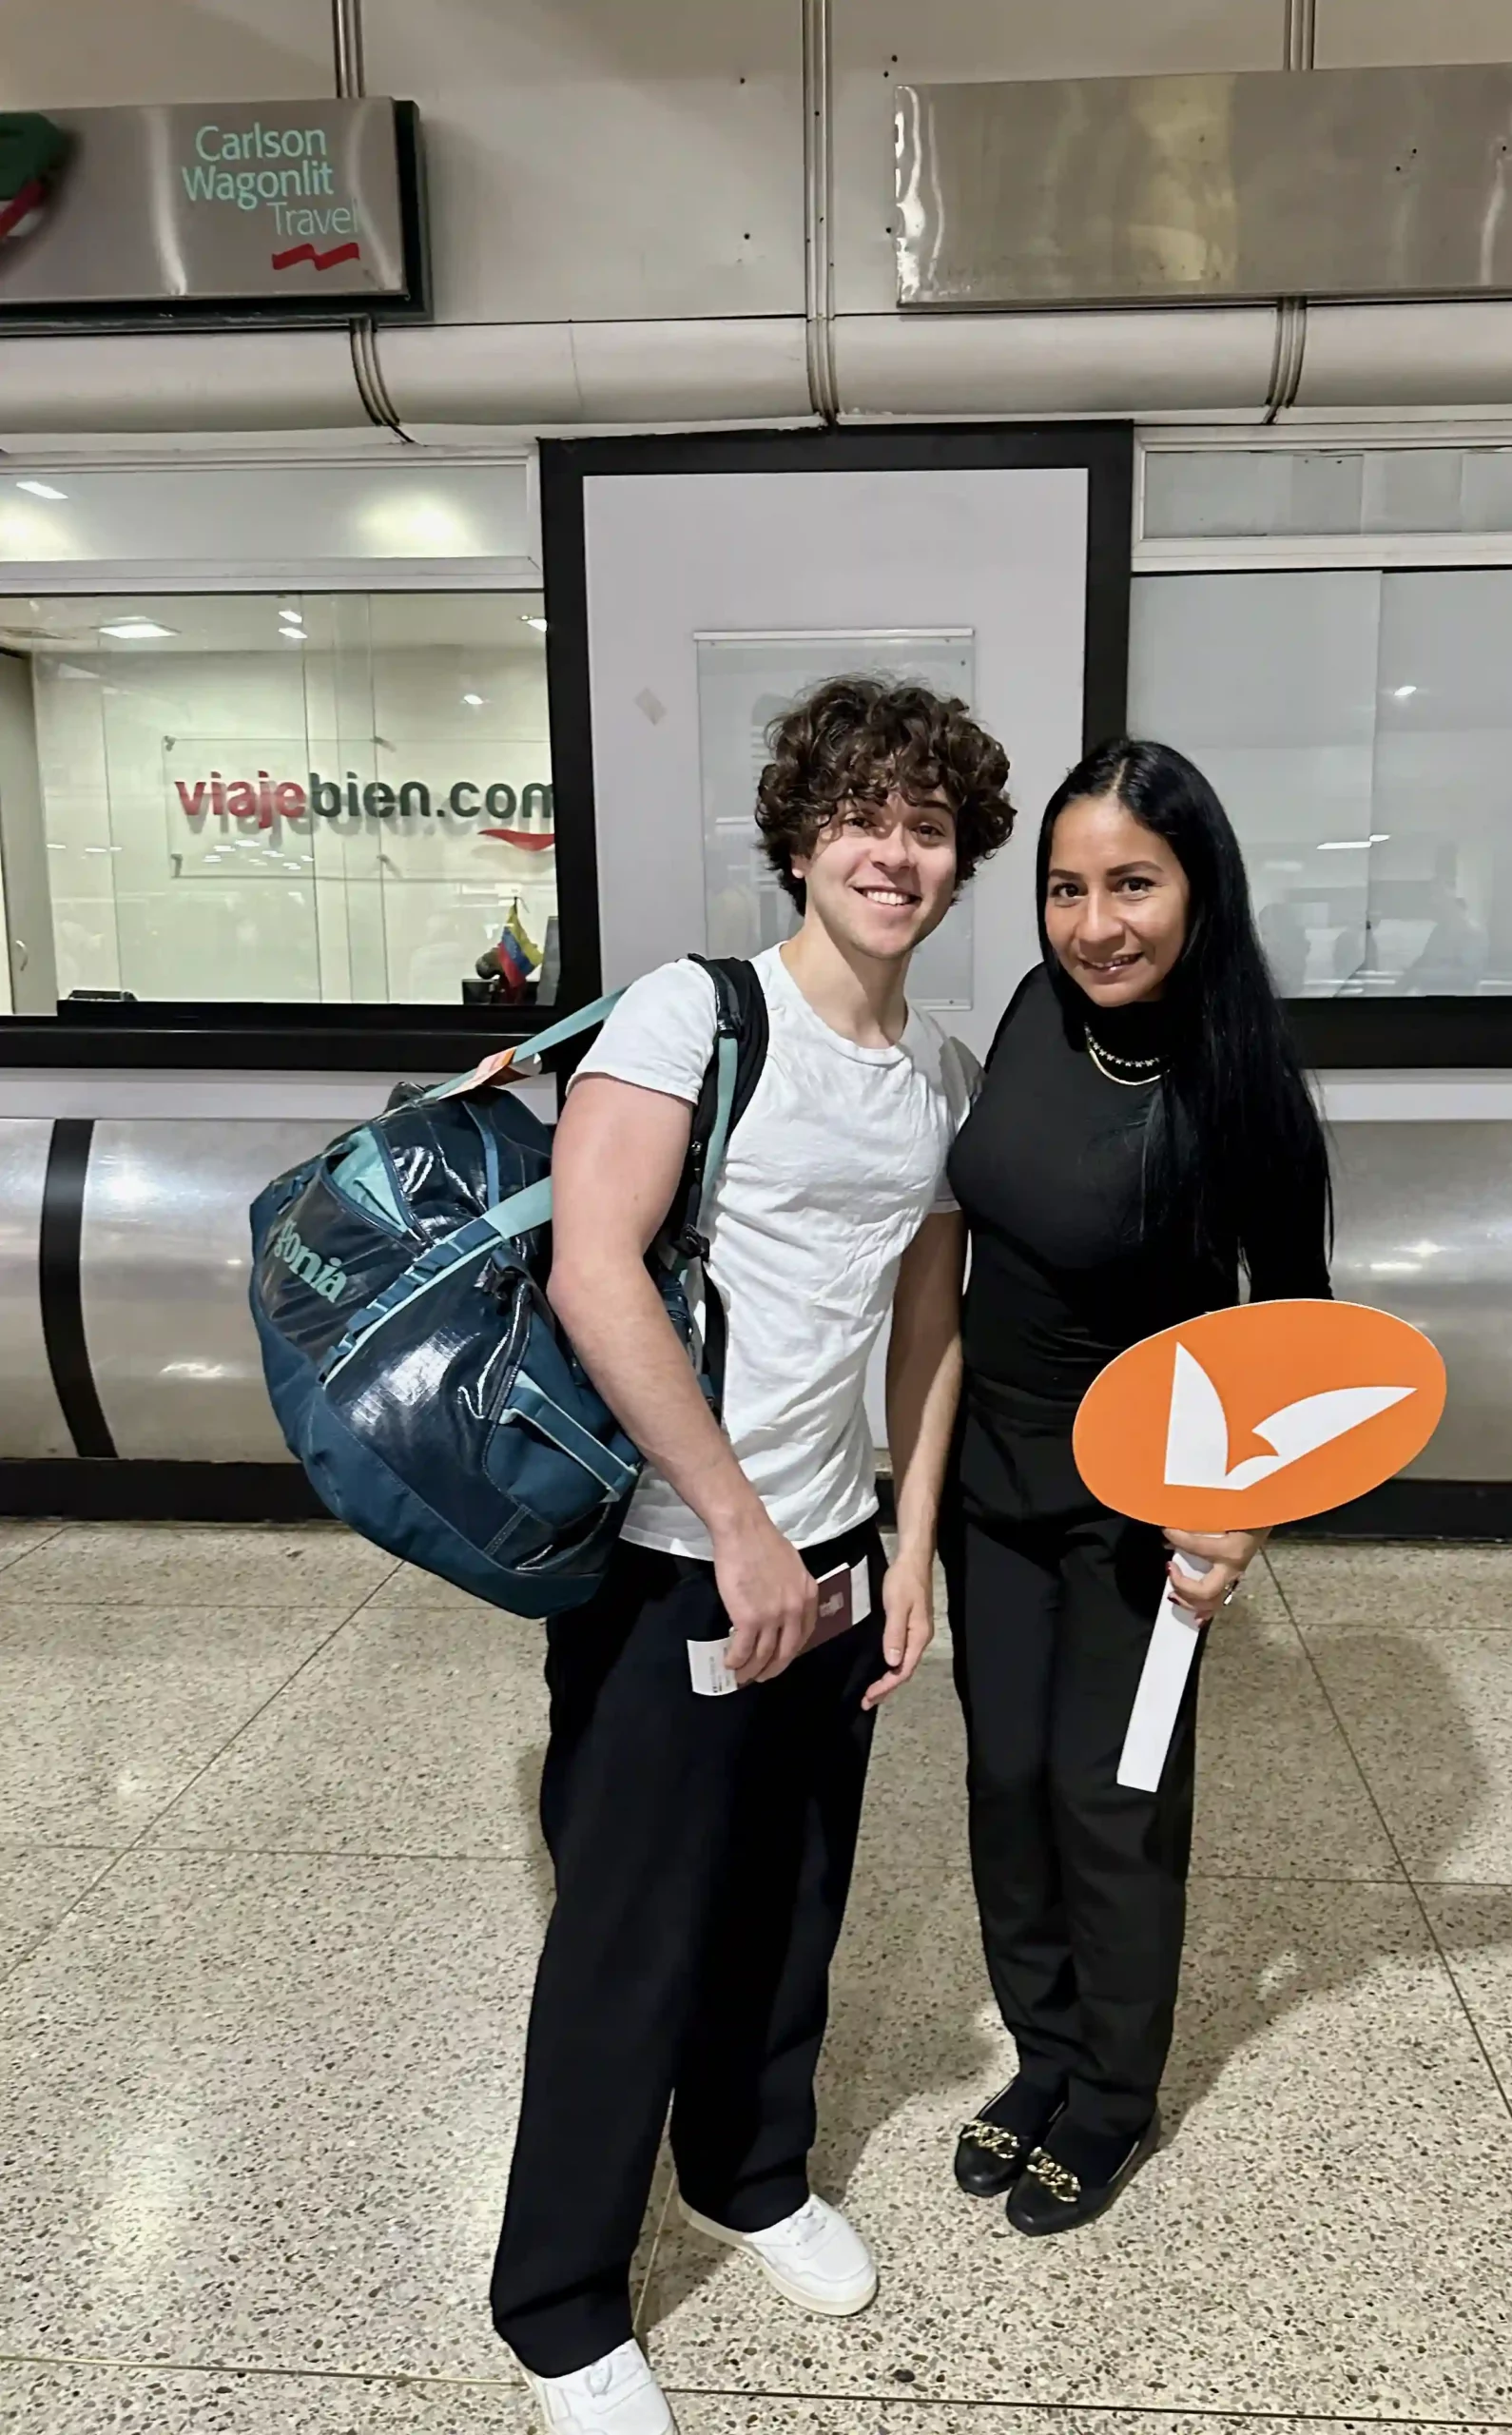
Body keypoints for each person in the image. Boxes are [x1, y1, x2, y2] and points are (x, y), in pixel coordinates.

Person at [492, 675, 1015, 2433]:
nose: (893, 851)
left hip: (842, 1544)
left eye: (928, 827)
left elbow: (929, 1328)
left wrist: (906, 1541)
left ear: (959, 866)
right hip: (672, 1558)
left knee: (795, 1895)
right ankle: (560, 2305)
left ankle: (752, 2171)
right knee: (633, 1927)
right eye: (861, 817)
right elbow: (594, 1269)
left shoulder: (935, 1070)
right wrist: (735, 1529)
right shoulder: (693, 1015)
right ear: (801, 838)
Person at [940, 737, 1332, 2237]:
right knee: (1004, 1787)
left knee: (1113, 1806)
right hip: (988, 1485)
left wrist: (1241, 1511)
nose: (1095, 923)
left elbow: (1297, 1334)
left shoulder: (1244, 1091)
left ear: (1198, 890)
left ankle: (1113, 2093)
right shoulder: (1045, 1014)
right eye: (1065, 887)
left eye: (1133, 886)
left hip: (1138, 1508)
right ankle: (1043, 2056)